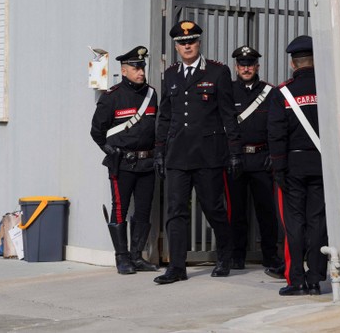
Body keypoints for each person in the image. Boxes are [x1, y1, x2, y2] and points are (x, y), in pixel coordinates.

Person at [153, 20, 243, 284]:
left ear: (199, 43)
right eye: (182, 42)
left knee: (213, 208)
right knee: (175, 211)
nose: (187, 45)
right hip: (178, 156)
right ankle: (177, 267)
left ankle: (225, 256)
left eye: (191, 41)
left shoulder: (217, 72)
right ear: (176, 47)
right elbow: (165, 116)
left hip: (208, 155)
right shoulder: (170, 74)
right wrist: (159, 151)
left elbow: (228, 114)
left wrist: (235, 150)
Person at [90, 45, 159, 275]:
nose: (141, 71)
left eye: (143, 67)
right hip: (123, 163)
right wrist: (109, 150)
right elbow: (96, 131)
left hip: (147, 163)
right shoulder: (112, 97)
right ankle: (122, 257)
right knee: (119, 207)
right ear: (125, 69)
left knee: (143, 209)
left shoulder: (151, 94)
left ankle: (137, 256)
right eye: (136, 67)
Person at [267, 35, 327, 296]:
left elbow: (276, 133)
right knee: (317, 223)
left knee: (294, 223)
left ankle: (296, 280)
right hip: (322, 164)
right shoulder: (327, 89)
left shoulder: (283, 92)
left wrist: (278, 169)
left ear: (293, 64)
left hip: (292, 166)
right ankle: (315, 280)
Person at [228, 46, 285, 278]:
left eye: (250, 64)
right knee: (236, 211)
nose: (246, 68)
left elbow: (276, 126)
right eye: (242, 64)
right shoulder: (229, 92)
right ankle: (236, 255)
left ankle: (270, 256)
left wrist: (273, 154)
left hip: (262, 159)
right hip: (237, 159)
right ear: (236, 67)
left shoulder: (270, 93)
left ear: (257, 66)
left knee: (267, 212)